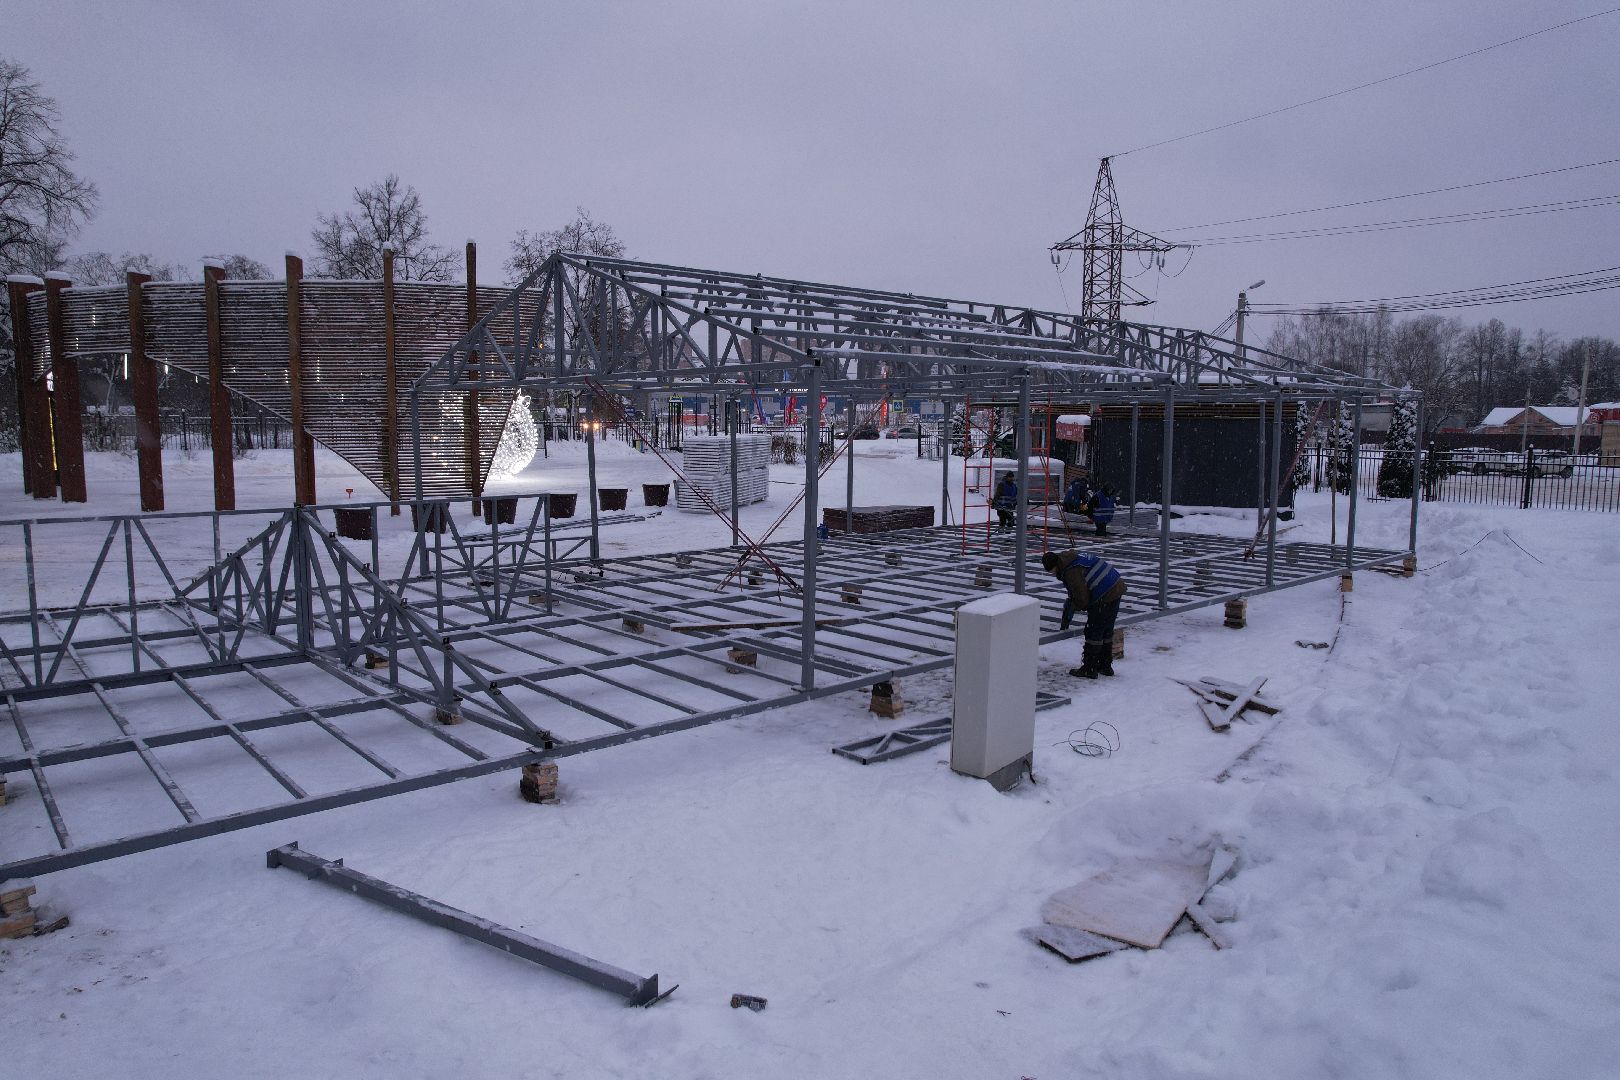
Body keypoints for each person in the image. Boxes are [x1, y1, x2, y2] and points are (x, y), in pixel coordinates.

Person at [1042, 548, 1127, 679]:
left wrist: (1073, 606)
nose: (1053, 574)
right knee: (1106, 630)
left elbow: (1082, 598)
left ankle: (1089, 668)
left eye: (1052, 571)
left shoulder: (1071, 571)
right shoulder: (1071, 558)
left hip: (1105, 594)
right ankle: (1105, 666)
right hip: (1115, 587)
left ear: (1055, 566)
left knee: (1094, 631)